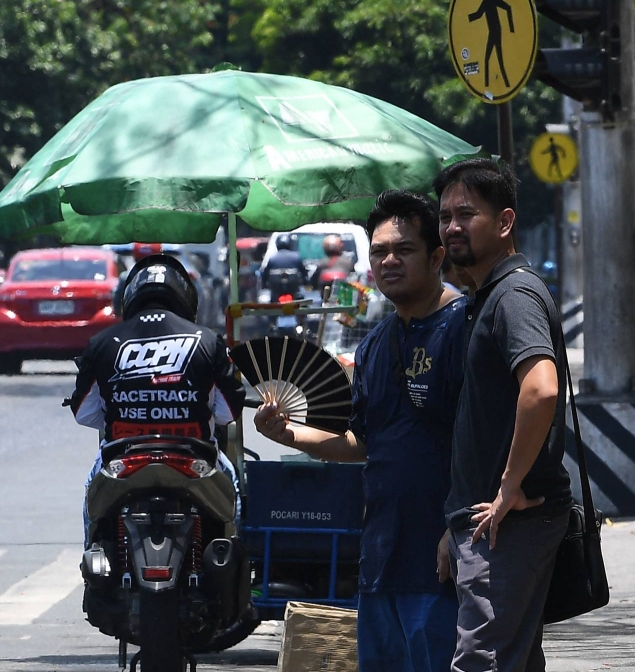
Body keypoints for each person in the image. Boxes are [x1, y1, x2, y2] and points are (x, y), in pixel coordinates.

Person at [255, 190, 465, 672]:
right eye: (379, 252)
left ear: (436, 257)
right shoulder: (374, 346)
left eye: (404, 250)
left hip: (444, 563)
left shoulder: (466, 330)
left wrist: (459, 530)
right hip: (380, 563)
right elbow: (363, 444)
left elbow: (490, 443)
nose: (389, 261)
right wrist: (288, 435)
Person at [435, 157, 573, 672]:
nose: (451, 227)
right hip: (486, 521)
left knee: (483, 661)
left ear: (505, 222)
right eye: (445, 215)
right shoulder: (487, 295)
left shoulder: (513, 295)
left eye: (466, 214)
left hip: (510, 522)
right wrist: (456, 523)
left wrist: (508, 486)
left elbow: (540, 389)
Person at [64, 254, 245, 595]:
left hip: (121, 459)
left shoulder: (103, 343)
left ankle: (94, 556)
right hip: (196, 458)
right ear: (187, 298)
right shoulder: (207, 341)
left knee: (91, 503)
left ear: (130, 297)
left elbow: (85, 414)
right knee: (235, 495)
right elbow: (226, 414)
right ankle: (235, 571)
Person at [261, 233, 308, 301]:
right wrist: (306, 282)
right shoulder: (296, 257)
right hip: (293, 291)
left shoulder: (272, 258)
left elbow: (265, 274)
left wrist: (264, 284)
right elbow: (304, 273)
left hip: (276, 292)